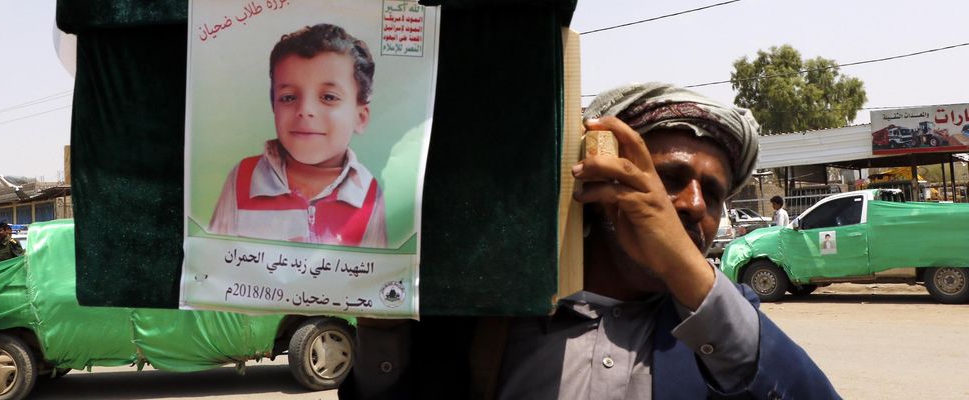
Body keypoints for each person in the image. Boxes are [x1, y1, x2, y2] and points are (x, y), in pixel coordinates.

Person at [340, 83, 839, 399]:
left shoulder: (726, 330)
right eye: (670, 177)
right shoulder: (497, 311)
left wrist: (685, 270)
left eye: (712, 192)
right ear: (599, 183)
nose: (692, 204)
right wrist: (382, 325)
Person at [208, 23, 388, 248]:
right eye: (289, 97)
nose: (305, 110)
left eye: (329, 97)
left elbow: (374, 276)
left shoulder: (369, 193)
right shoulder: (243, 178)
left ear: (360, 118)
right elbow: (214, 260)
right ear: (274, 107)